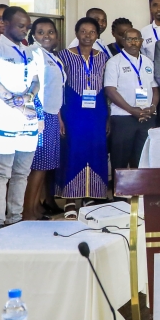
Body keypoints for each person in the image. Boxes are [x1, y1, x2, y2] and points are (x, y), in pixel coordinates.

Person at [0, 7, 42, 230]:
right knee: (1, 173)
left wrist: (29, 97)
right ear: (5, 24)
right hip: (5, 120)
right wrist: (19, 105)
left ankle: (15, 217)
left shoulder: (28, 51)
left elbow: (36, 81)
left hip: (27, 119)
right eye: (21, 26)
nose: (25, 31)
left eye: (27, 27)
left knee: (22, 172)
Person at [56, 17, 109, 214]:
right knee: (73, 151)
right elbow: (58, 88)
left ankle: (90, 196)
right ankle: (70, 199)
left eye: (92, 32)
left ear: (97, 35)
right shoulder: (64, 56)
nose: (87, 36)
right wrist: (60, 116)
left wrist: (108, 116)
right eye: (83, 31)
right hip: (73, 110)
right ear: (76, 33)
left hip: (97, 112)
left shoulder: (103, 57)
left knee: (95, 151)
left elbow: (107, 88)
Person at [103, 27, 159, 191]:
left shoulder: (148, 62)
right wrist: (131, 110)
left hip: (147, 117)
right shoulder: (114, 62)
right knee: (120, 158)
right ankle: (118, 195)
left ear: (142, 41)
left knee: (142, 158)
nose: (133, 42)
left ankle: (138, 193)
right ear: (123, 41)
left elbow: (155, 89)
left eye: (136, 39)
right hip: (123, 118)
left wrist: (153, 107)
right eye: (129, 39)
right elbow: (110, 90)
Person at [24, 18, 62, 221]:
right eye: (40, 32)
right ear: (33, 35)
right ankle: (27, 212)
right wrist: (38, 116)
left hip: (51, 114)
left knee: (45, 166)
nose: (46, 36)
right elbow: (32, 86)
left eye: (50, 32)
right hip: (40, 114)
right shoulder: (33, 53)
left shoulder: (50, 56)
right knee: (37, 166)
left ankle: (36, 207)